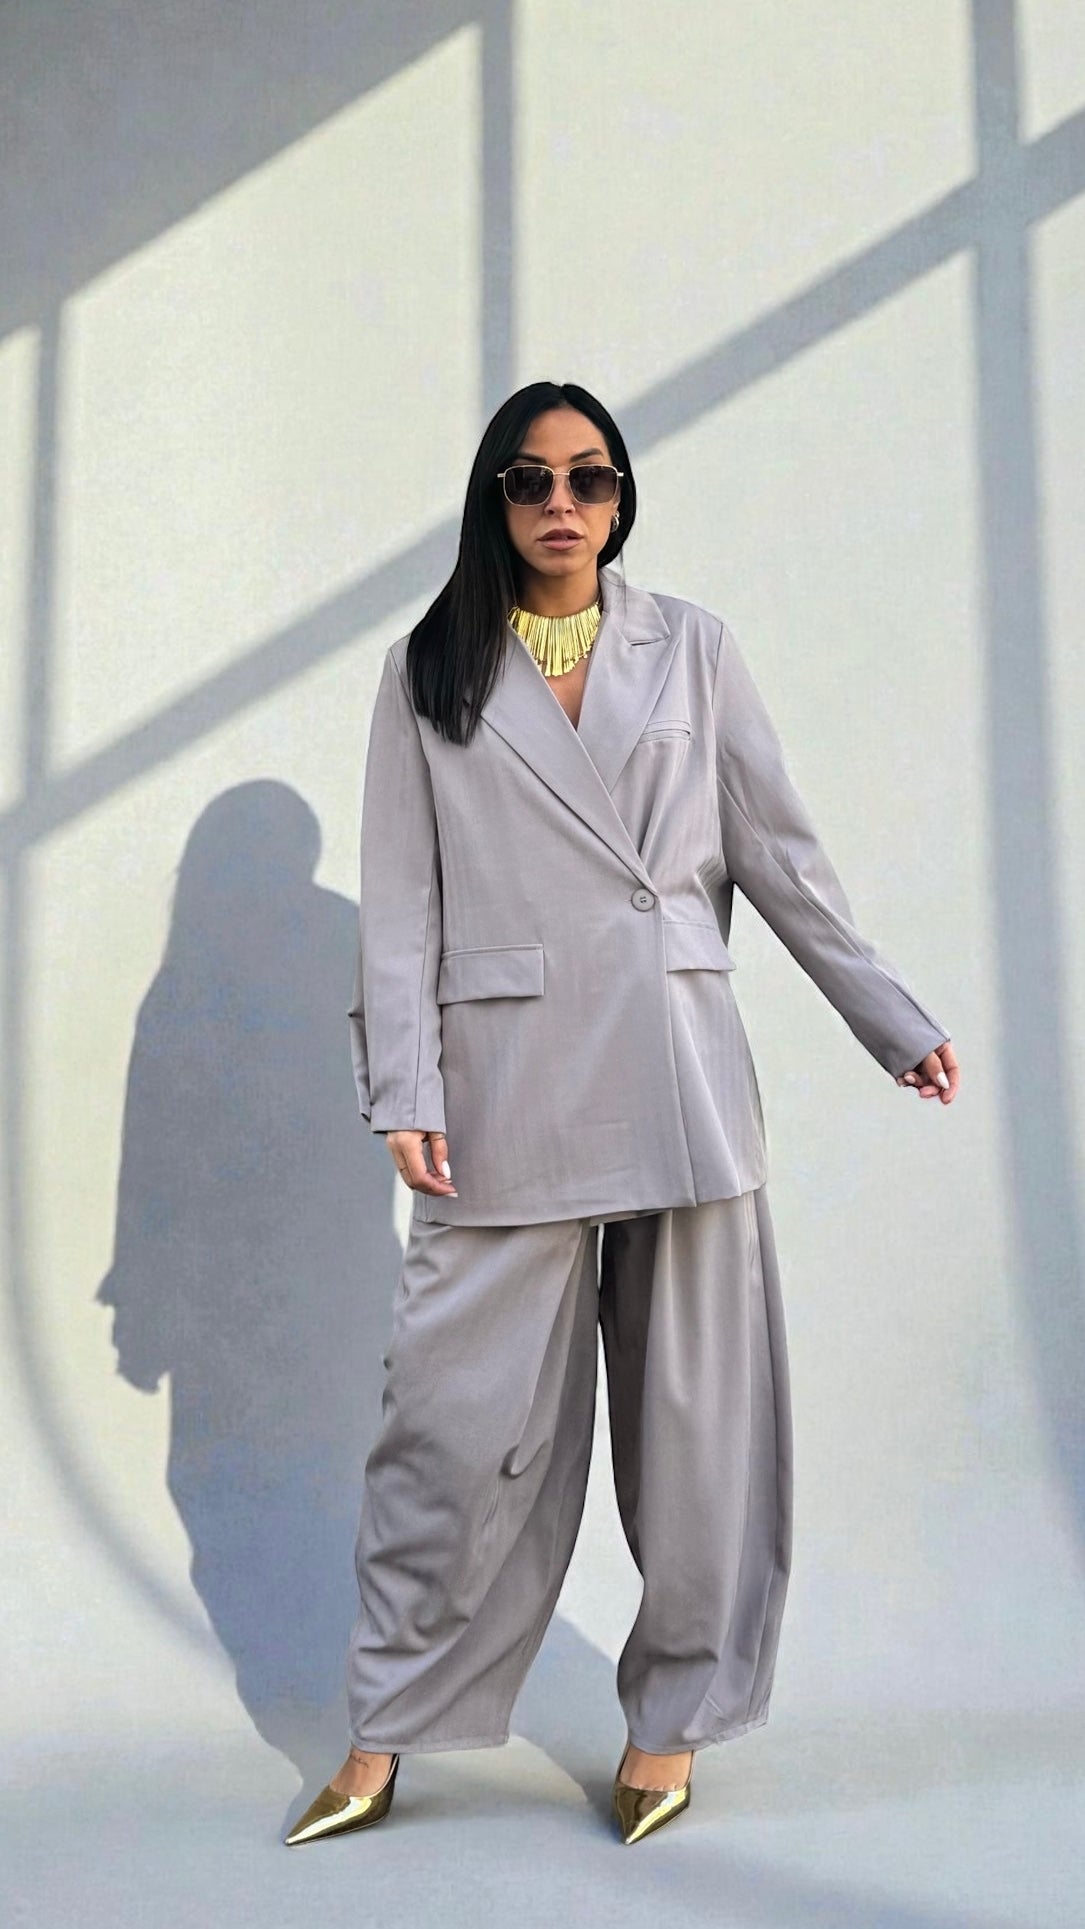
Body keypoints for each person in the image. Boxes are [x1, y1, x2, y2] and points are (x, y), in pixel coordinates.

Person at [284, 380, 959, 1849]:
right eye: (529, 480)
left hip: (675, 1065)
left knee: (699, 1428)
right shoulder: (429, 667)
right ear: (495, 499)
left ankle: (669, 1727)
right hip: (503, 1085)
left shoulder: (692, 647)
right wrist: (402, 1085)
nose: (560, 504)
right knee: (450, 1429)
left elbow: (779, 854)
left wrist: (888, 1017)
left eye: (587, 478)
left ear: (619, 496)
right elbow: (402, 899)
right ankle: (383, 1724)